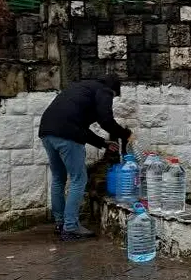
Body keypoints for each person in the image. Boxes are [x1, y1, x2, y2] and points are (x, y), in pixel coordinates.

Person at [39, 76, 131, 241]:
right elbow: (105, 120)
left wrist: (103, 143)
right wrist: (126, 135)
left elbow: (78, 124)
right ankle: (71, 227)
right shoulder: (105, 90)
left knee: (58, 178)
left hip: (47, 131)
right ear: (114, 90)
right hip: (67, 135)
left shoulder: (81, 88)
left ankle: (60, 224)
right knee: (78, 179)